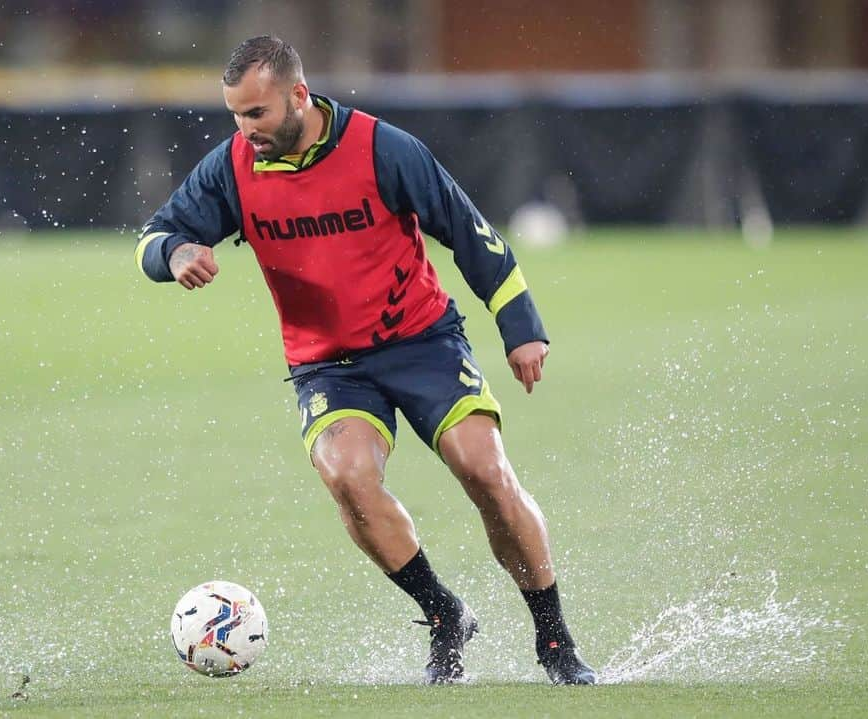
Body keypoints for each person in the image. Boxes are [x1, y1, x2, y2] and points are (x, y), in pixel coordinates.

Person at [135, 35, 595, 686]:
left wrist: (520, 326)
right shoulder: (234, 166)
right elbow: (154, 236)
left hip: (422, 340)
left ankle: (555, 640)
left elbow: (469, 231)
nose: (245, 130)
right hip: (328, 365)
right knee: (347, 476)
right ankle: (444, 615)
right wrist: (176, 255)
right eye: (235, 115)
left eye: (256, 114)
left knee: (485, 472)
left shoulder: (383, 149)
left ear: (298, 95)